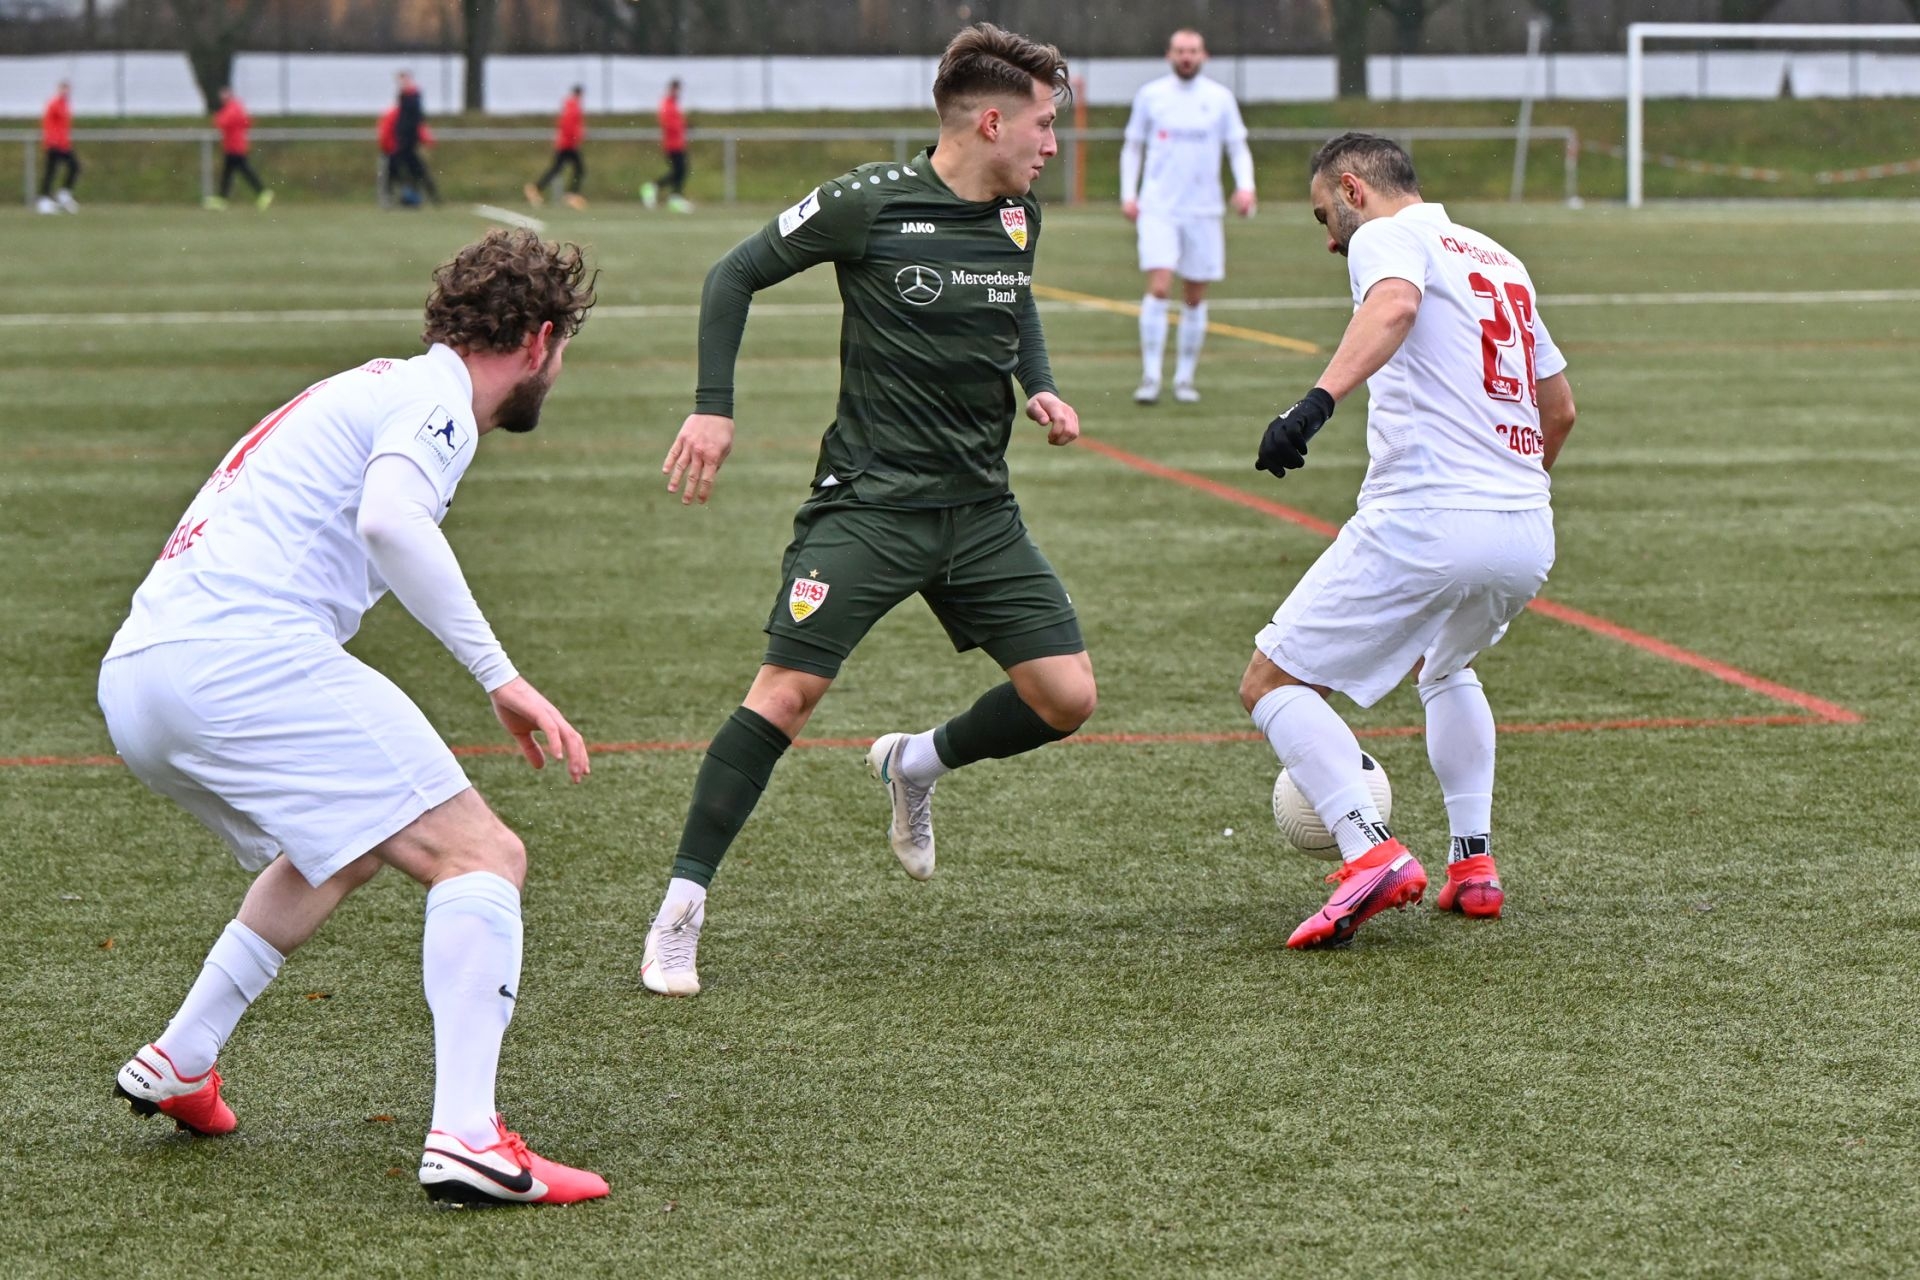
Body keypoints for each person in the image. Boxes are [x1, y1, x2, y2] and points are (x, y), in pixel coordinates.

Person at [99, 230, 610, 1207]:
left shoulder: (378, 383)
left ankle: (182, 1057)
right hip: (240, 656)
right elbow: (389, 520)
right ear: (540, 341)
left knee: (344, 844)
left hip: (141, 674)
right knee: (482, 853)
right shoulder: (437, 401)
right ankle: (467, 1138)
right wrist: (501, 676)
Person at [643, 23, 1095, 997]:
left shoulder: (1020, 214)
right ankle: (681, 908)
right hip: (871, 507)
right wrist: (713, 408)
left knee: (1067, 697)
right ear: (990, 122)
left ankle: (914, 764)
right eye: (1043, 125)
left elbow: (1015, 298)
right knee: (786, 695)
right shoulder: (868, 202)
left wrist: (1041, 385)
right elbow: (734, 273)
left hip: (980, 510)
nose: (1053, 145)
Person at [1240, 133, 1577, 949]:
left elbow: (1393, 306)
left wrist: (1312, 406)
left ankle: (1370, 851)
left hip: (1428, 515)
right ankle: (1474, 864)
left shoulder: (1387, 235)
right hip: (1526, 528)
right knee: (1444, 665)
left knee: (1272, 681)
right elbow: (1559, 409)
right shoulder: (1501, 258)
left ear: (1353, 190)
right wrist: (1507, 492)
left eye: (1325, 216)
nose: (1330, 241)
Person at [1120, 29, 1255, 405]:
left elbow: (1237, 147)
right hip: (1159, 208)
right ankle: (1150, 377)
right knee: (1160, 286)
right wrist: (1129, 194)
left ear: (1203, 55)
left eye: (1193, 50)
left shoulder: (1220, 99)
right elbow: (1133, 147)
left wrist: (1246, 187)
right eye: (1180, 50)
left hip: (1204, 210)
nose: (1186, 56)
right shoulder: (1151, 96)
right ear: (1169, 54)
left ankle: (1184, 379)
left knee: (1194, 295)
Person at [207, 87, 272, 211]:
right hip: (235, 145)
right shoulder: (237, 108)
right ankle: (223, 198)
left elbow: (222, 122)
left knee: (243, 171)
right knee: (230, 172)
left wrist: (217, 117)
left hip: (235, 146)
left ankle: (262, 192)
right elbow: (247, 122)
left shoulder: (232, 109)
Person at [525, 85, 587, 210]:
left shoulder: (570, 105)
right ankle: (571, 194)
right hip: (568, 144)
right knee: (578, 169)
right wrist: (574, 138)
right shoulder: (574, 106)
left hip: (566, 143)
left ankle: (536, 188)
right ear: (580, 94)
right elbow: (568, 125)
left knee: (558, 169)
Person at [389, 71, 439, 206]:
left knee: (417, 170)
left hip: (408, 141)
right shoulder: (405, 97)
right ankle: (410, 195)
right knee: (404, 169)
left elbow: (416, 119)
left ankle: (428, 196)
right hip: (403, 140)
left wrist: (419, 138)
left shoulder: (413, 97)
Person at [640, 79, 690, 212]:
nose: (678, 92)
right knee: (680, 170)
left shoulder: (674, 104)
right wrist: (680, 126)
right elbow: (668, 123)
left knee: (680, 171)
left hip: (679, 142)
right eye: (676, 89)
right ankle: (659, 189)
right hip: (672, 143)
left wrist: (685, 126)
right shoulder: (667, 104)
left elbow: (678, 122)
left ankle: (672, 196)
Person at [378, 99, 435, 207]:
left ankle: (430, 199)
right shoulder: (394, 115)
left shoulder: (410, 114)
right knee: (390, 176)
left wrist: (428, 142)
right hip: (393, 151)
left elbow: (420, 130)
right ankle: (389, 200)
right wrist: (391, 148)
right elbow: (386, 133)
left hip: (406, 150)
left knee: (419, 174)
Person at [37, 80, 79, 215]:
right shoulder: (54, 103)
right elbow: (49, 122)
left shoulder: (65, 104)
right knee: (51, 171)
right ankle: (43, 201)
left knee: (75, 166)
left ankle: (63, 194)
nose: (66, 92)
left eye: (67, 89)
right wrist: (52, 140)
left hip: (63, 144)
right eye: (63, 89)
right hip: (53, 143)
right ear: (58, 89)